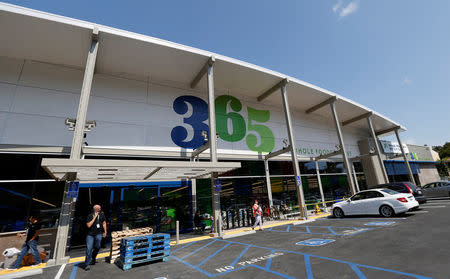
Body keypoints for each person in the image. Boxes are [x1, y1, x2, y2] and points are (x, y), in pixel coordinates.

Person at [83, 205, 106, 271]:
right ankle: (87, 264)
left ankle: (93, 257)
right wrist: (95, 217)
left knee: (98, 246)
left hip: (98, 234)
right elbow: (89, 225)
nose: (100, 209)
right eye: (99, 208)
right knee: (89, 249)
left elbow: (104, 223)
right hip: (90, 235)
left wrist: (105, 231)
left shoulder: (102, 215)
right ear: (96, 209)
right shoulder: (90, 216)